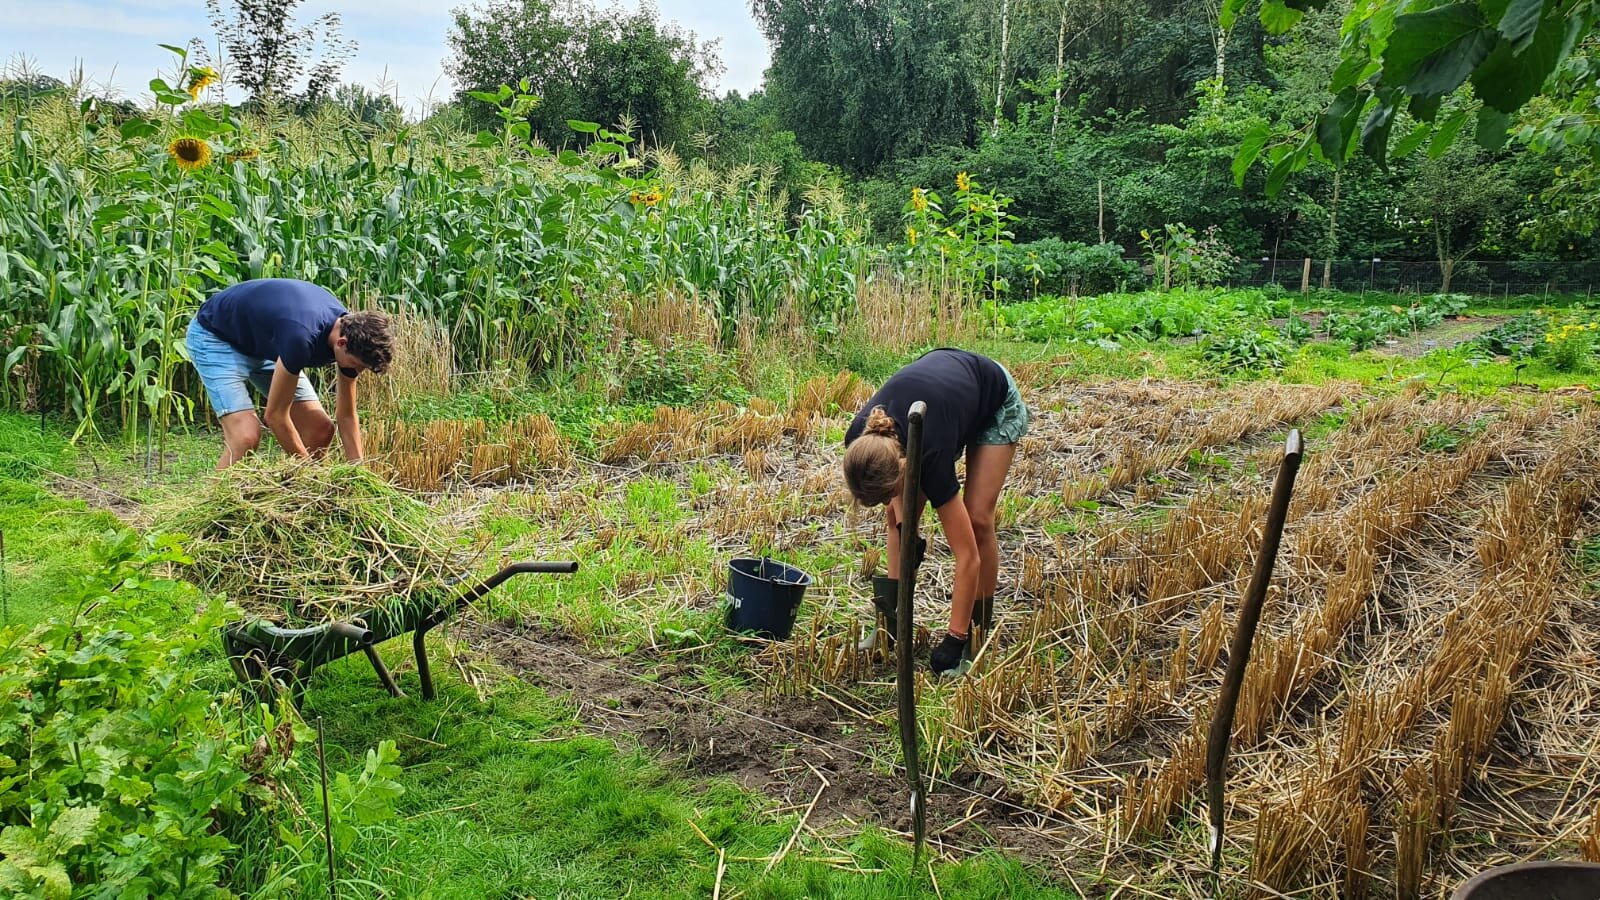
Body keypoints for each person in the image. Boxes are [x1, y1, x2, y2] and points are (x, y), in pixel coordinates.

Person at [843, 348, 1029, 677]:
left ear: (905, 467)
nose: (887, 501)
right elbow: (896, 509)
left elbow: (967, 556)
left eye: (889, 493)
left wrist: (954, 639)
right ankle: (890, 626)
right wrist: (905, 527)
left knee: (977, 520)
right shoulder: (860, 438)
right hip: (942, 400)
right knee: (897, 520)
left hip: (991, 396)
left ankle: (974, 639)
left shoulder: (931, 455)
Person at [185, 278, 394, 469]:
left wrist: (357, 473)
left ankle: (299, 496)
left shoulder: (350, 333)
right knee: (245, 437)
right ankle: (216, 498)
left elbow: (346, 415)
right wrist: (308, 474)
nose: (356, 372)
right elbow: (275, 416)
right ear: (341, 343)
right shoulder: (301, 339)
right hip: (217, 338)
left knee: (320, 429)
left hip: (266, 345)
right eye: (357, 365)